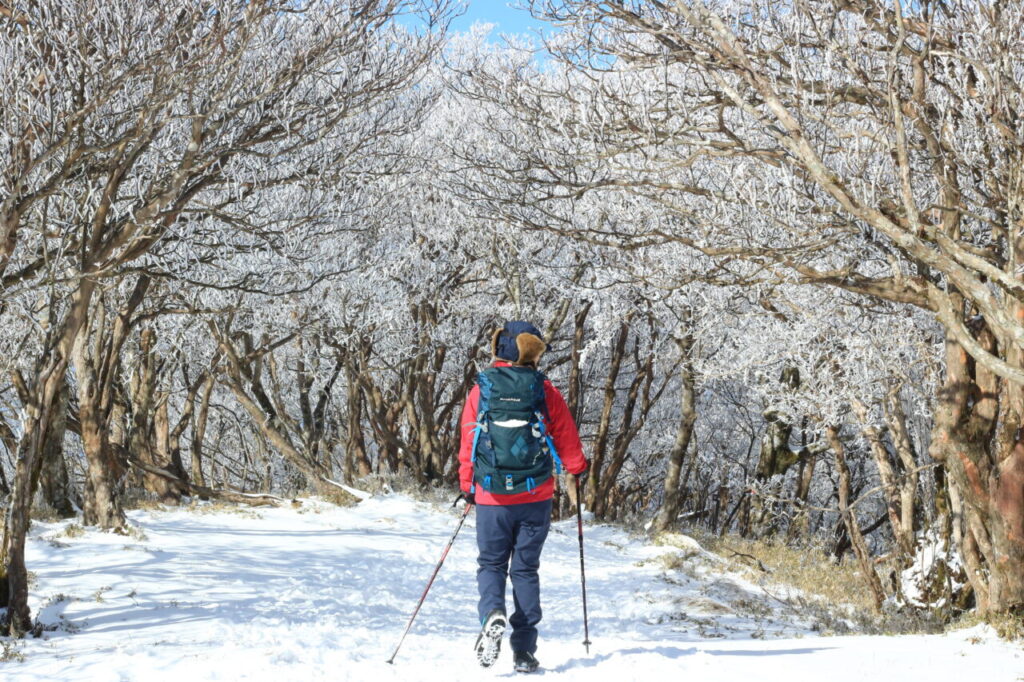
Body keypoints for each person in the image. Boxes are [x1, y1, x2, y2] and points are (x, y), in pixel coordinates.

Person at [457, 320, 588, 674]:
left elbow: (469, 441)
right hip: (536, 496)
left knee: (491, 564)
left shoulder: (480, 389)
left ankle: (492, 613)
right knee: (526, 570)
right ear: (533, 351)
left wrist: (467, 484)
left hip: (491, 496)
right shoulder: (545, 390)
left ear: (499, 347)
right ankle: (524, 652)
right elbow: (565, 436)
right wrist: (577, 469)